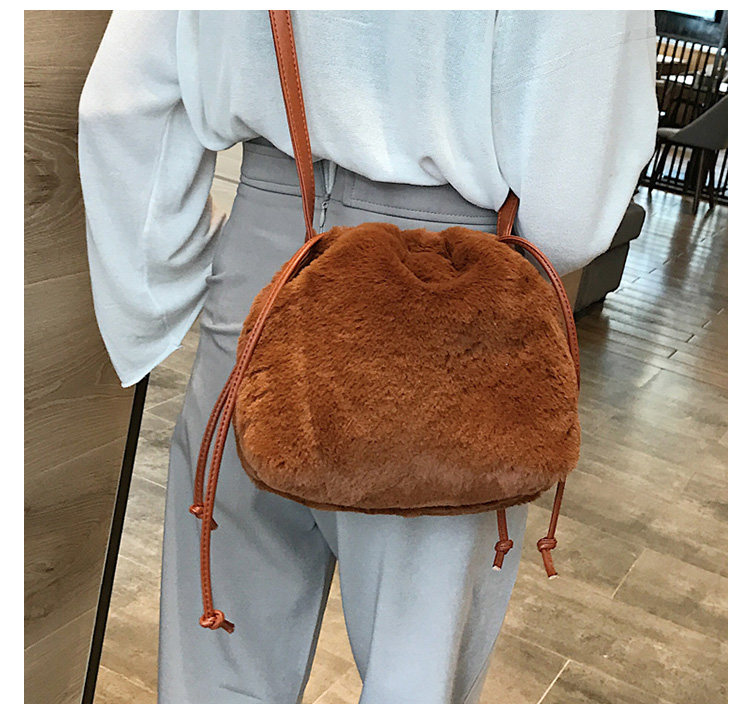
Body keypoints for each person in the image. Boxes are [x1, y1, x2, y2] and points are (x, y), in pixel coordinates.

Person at [78, 10, 658, 704]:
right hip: (453, 294)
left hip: (270, 268)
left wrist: (166, 284)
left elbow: (122, 100)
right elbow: (574, 200)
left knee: (218, 662)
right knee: (415, 679)